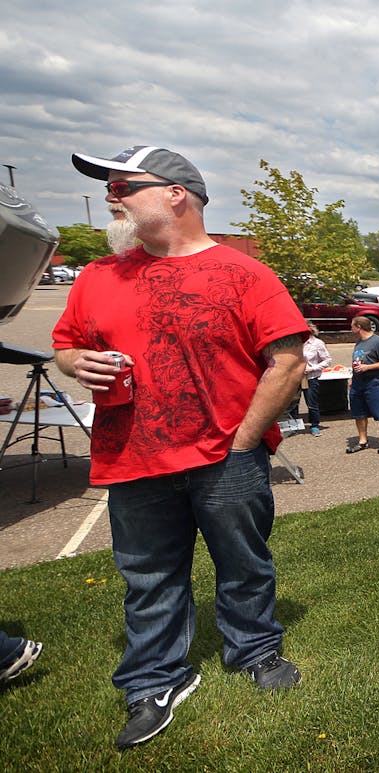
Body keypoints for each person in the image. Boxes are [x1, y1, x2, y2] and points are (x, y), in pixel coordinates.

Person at [54, 145, 306, 749]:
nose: (112, 195)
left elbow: (288, 362)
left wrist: (244, 442)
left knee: (244, 565)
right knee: (147, 576)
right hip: (132, 457)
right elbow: (66, 344)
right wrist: (73, 362)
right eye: (109, 185)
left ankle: (255, 651)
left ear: (176, 193)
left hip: (226, 457)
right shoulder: (96, 276)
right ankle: (152, 681)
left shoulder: (245, 273)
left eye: (124, 185)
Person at [346, 317, 379, 453]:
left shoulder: (378, 342)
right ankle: (363, 441)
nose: (351, 328)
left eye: (352, 326)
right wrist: (352, 378)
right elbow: (358, 361)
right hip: (357, 383)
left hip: (375, 382)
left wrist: (368, 368)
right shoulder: (359, 342)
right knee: (358, 413)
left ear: (359, 327)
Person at [301, 321, 332, 436]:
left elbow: (327, 360)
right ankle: (292, 425)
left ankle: (314, 425)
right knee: (292, 403)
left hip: (310, 377)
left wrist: (313, 368)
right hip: (294, 378)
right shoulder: (294, 343)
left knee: (311, 402)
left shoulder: (317, 343)